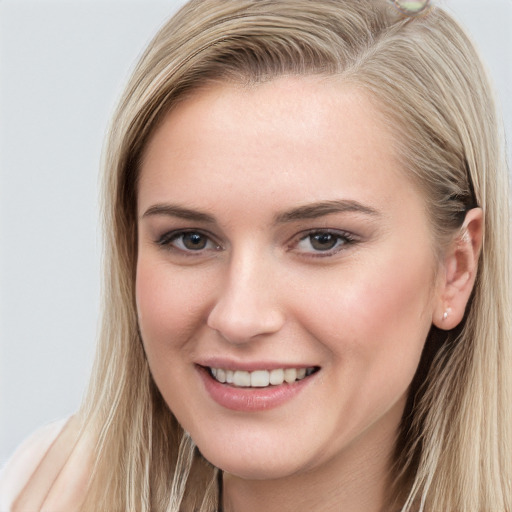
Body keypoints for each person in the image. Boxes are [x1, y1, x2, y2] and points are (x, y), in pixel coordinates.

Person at [1, 0, 510, 510]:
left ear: (455, 268)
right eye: (191, 239)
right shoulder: (41, 490)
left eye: (322, 240)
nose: (239, 317)